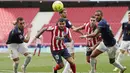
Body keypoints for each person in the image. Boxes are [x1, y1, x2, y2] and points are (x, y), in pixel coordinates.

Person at [59, 9, 81, 73]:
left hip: (62, 41)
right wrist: (81, 32)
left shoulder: (58, 21)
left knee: (66, 57)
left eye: (66, 12)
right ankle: (65, 71)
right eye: (64, 13)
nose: (66, 14)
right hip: (68, 41)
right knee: (71, 57)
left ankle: (68, 70)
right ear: (60, 14)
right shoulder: (66, 20)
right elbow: (73, 28)